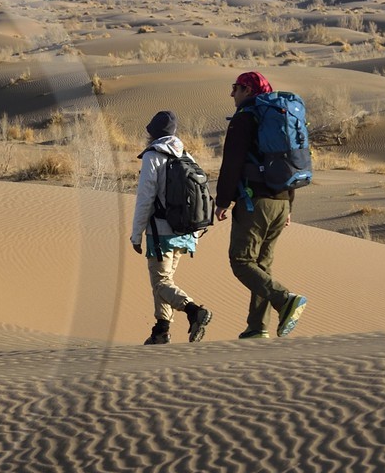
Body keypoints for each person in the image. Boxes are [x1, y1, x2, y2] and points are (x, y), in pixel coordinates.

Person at [214, 71, 308, 338]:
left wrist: (222, 201)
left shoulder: (245, 117)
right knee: (262, 265)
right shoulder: (277, 117)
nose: (232, 93)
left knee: (242, 261)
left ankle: (284, 299)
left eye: (236, 87)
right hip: (281, 202)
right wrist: (289, 205)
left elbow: (232, 162)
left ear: (247, 90)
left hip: (254, 202)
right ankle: (257, 327)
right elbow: (291, 161)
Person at [130, 110, 213, 345]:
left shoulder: (153, 156)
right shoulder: (186, 155)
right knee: (165, 281)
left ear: (153, 133)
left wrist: (136, 235)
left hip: (161, 233)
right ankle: (161, 330)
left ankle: (194, 311)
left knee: (161, 283)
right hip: (185, 232)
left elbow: (145, 198)